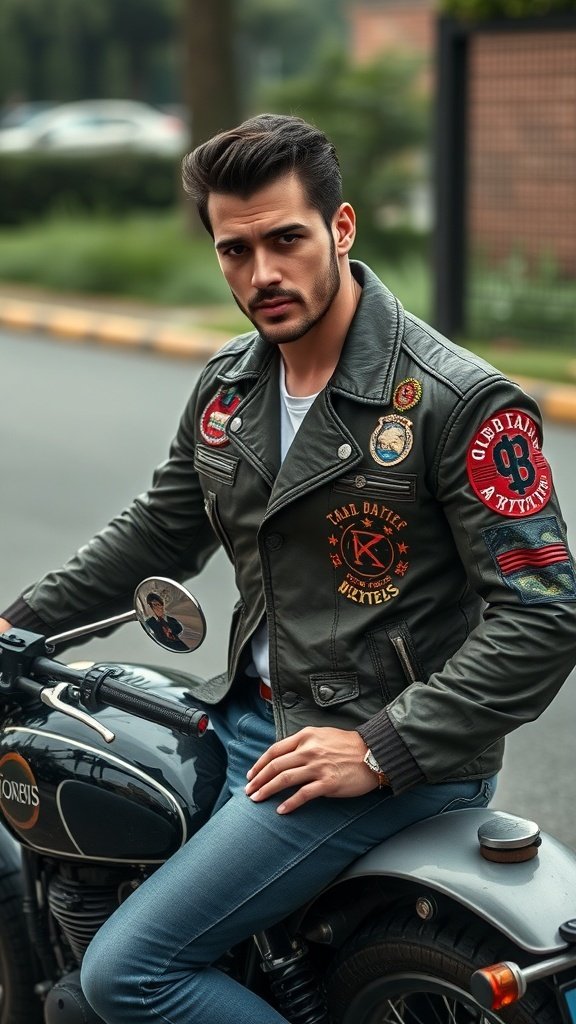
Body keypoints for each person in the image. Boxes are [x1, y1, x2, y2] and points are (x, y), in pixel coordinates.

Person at [1, 113, 575, 1024]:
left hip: (386, 753)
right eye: (235, 250)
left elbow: (544, 614)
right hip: (252, 721)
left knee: (130, 975)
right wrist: (17, 623)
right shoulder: (231, 387)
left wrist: (380, 747)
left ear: (341, 228)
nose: (262, 273)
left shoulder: (456, 401)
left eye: (286, 240)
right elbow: (158, 532)